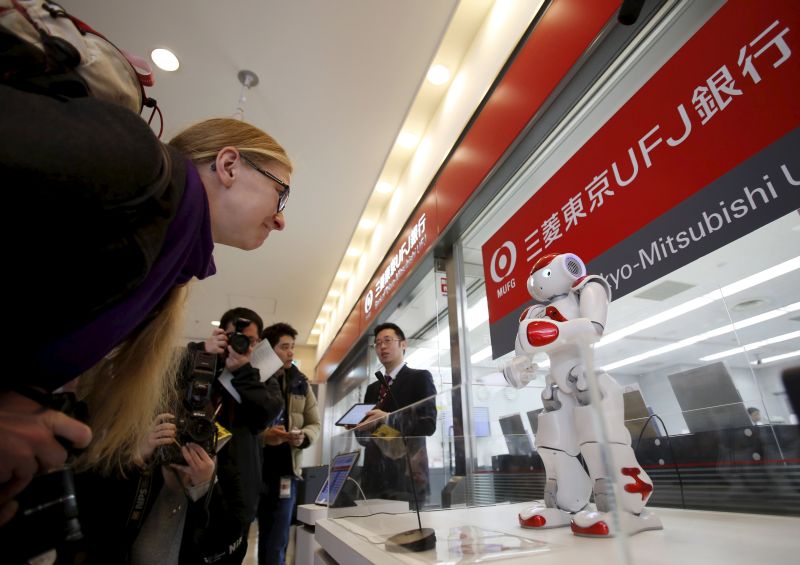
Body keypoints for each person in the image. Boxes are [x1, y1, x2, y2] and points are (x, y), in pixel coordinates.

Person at [0, 80, 292, 530]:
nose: (281, 218)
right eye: (281, 192)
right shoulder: (137, 164)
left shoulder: (169, 270)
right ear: (230, 165)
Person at [186, 308, 284, 564]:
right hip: (192, 478)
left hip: (240, 485)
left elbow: (267, 412)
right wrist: (203, 353)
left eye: (250, 341)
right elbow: (172, 386)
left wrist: (243, 372)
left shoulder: (264, 373)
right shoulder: (203, 357)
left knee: (231, 553)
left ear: (259, 343)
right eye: (233, 337)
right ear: (222, 335)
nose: (241, 345)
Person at [257, 323, 321, 565]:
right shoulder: (252, 380)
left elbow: (314, 423)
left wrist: (303, 436)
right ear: (268, 350)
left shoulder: (301, 383)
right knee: (240, 537)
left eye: (292, 347)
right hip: (253, 470)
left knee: (277, 541)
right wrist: (264, 436)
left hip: (286, 472)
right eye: (285, 347)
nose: (291, 353)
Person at [356, 323, 437, 506]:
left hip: (407, 478)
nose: (382, 347)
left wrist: (387, 418)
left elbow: (428, 425)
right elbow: (363, 438)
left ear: (403, 344)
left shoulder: (419, 378)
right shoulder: (373, 388)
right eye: (377, 343)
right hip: (373, 479)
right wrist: (359, 426)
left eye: (387, 340)